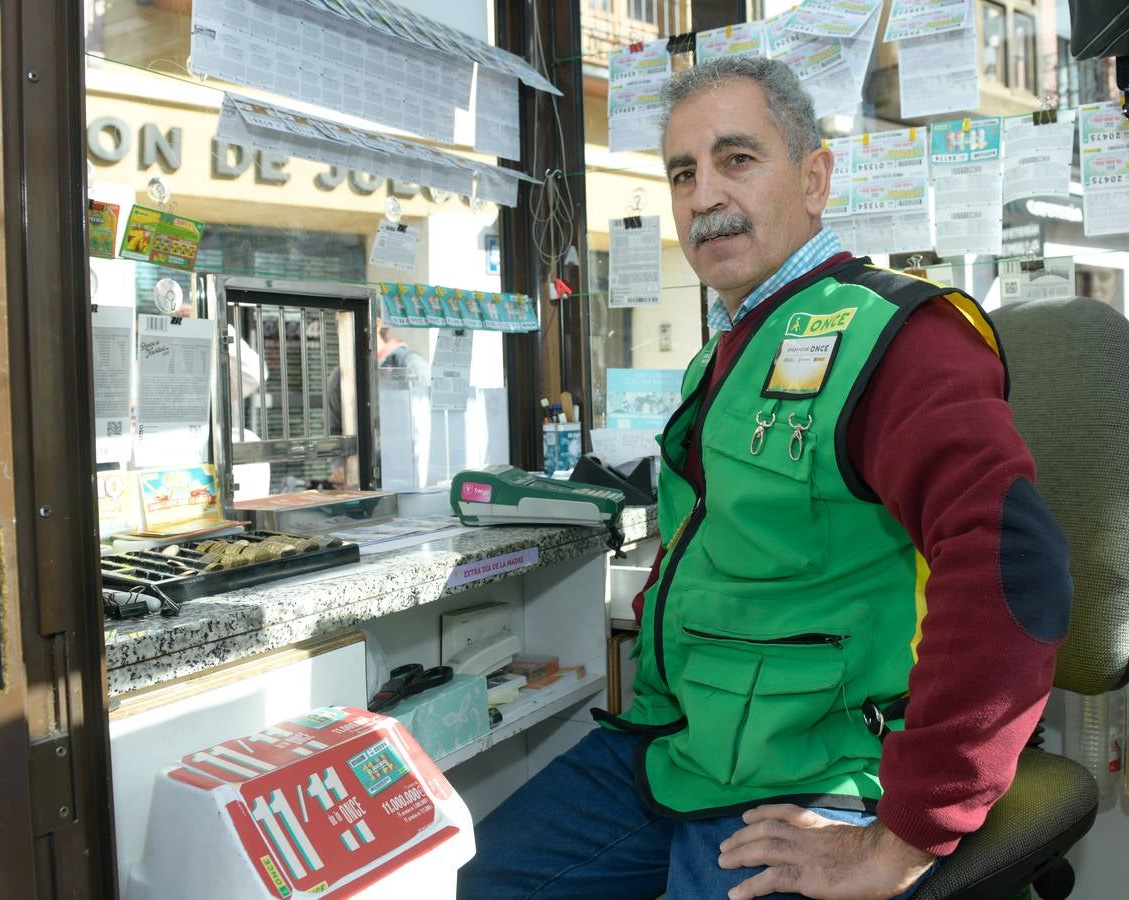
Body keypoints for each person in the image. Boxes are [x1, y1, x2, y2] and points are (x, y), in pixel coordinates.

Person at [458, 56, 1071, 900]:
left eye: (737, 159)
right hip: (686, 745)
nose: (705, 194)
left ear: (814, 178)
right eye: (684, 172)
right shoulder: (731, 349)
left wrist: (909, 836)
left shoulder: (897, 338)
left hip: (818, 768)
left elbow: (1017, 567)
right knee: (465, 879)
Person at [324, 320, 426, 486]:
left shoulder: (409, 366)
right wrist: (340, 467)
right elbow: (335, 431)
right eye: (338, 323)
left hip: (407, 482)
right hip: (360, 485)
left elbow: (424, 432)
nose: (340, 330)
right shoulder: (339, 377)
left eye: (345, 322)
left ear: (376, 323)